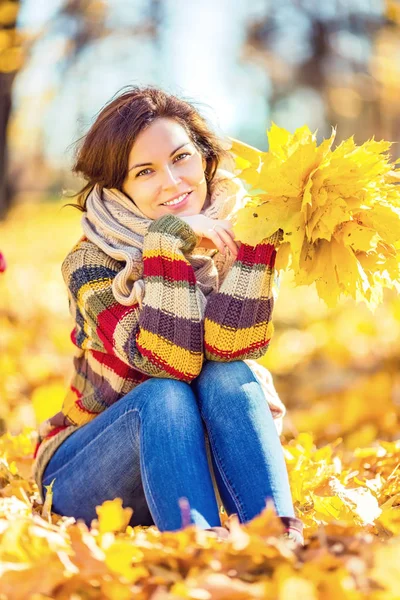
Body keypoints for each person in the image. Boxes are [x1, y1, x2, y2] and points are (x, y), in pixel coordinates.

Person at [32, 85, 304, 545]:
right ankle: (198, 549)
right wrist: (166, 242)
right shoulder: (89, 265)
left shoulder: (232, 233)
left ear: (202, 157)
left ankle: (276, 540)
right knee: (164, 395)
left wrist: (257, 242)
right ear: (119, 186)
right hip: (86, 471)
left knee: (229, 374)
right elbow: (170, 362)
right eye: (145, 172)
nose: (173, 182)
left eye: (181, 158)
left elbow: (229, 347)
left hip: (179, 465)